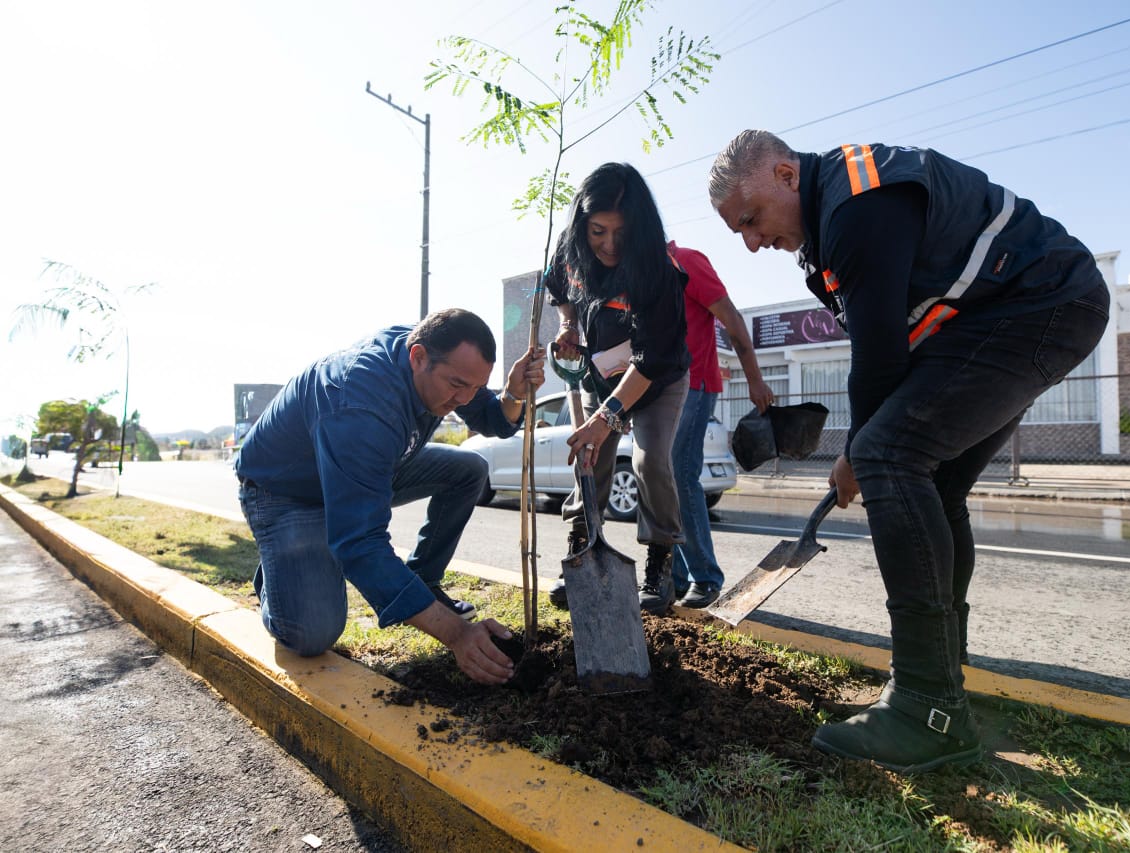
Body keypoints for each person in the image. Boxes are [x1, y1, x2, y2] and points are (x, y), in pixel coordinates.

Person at [709, 131, 1110, 773]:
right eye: (741, 234)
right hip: (1004, 316)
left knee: (890, 458)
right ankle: (940, 679)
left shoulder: (856, 204)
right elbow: (897, 338)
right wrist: (870, 444)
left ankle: (927, 707)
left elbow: (879, 359)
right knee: (934, 482)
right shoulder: (824, 236)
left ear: (786, 175)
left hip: (1040, 304)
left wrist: (859, 453)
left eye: (752, 220)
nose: (754, 242)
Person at [235, 309, 546, 685]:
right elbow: (359, 544)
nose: (464, 400)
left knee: (470, 470)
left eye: (474, 388)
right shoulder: (361, 404)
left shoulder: (437, 357)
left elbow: (495, 419)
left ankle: (422, 580)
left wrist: (513, 391)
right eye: (456, 385)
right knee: (311, 634)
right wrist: (456, 633)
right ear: (418, 357)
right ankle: (280, 570)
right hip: (288, 492)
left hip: (368, 466)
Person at [543, 162, 691, 614]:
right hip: (599, 374)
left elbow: (650, 361)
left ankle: (659, 567)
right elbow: (560, 292)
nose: (609, 244)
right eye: (598, 231)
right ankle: (581, 552)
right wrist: (569, 326)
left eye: (621, 233)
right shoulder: (570, 253)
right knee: (590, 459)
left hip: (656, 380)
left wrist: (607, 418)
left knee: (649, 462)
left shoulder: (658, 273)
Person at [667, 241, 771, 608]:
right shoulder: (640, 276)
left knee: (681, 475)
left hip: (695, 385)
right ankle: (675, 577)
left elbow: (732, 319)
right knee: (664, 482)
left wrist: (755, 380)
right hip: (661, 393)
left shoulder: (688, 262)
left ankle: (705, 577)